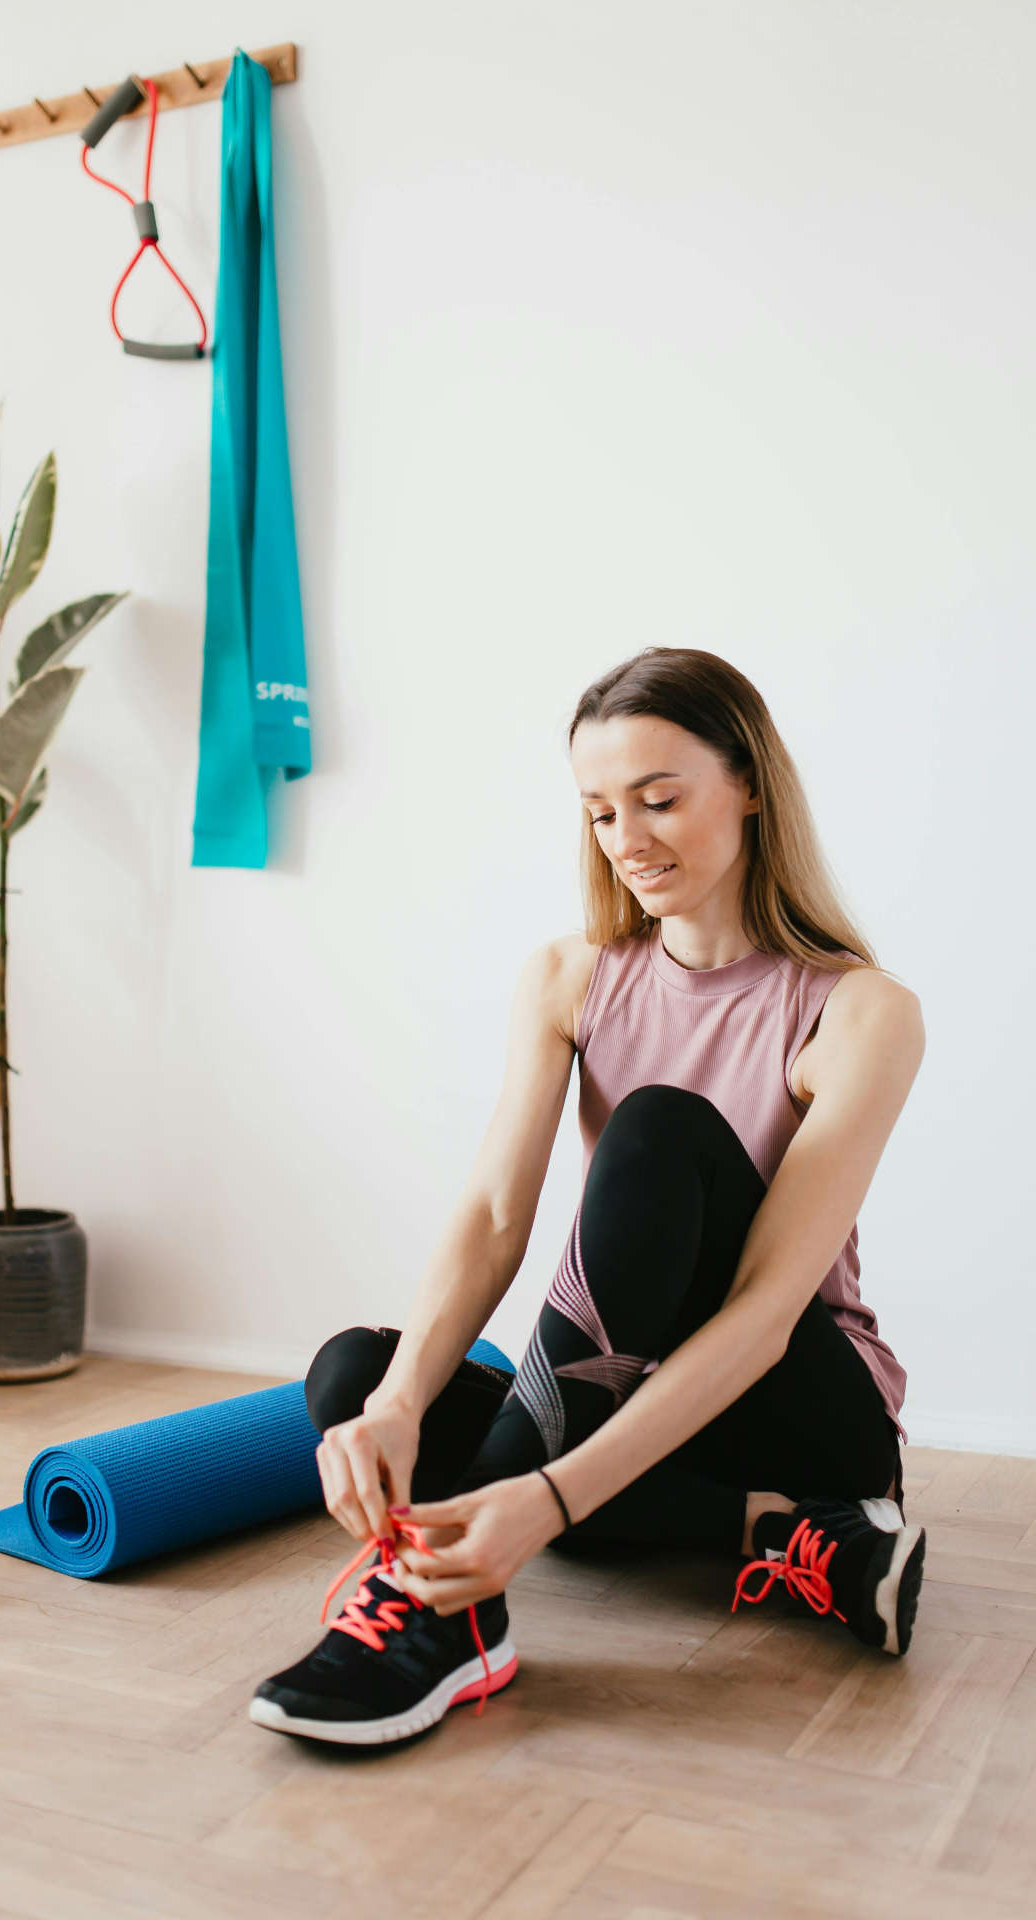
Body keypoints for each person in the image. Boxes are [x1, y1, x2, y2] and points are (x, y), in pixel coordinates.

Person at [250, 647, 926, 1747]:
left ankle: (446, 1619)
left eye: (658, 800)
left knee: (656, 1129)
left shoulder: (857, 1012)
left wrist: (550, 1497)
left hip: (798, 1403)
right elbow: (493, 1218)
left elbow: (760, 1314)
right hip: (626, 1391)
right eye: (600, 812)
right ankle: (785, 1539)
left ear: (748, 783)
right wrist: (398, 1406)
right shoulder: (573, 976)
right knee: (358, 1376)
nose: (627, 841)